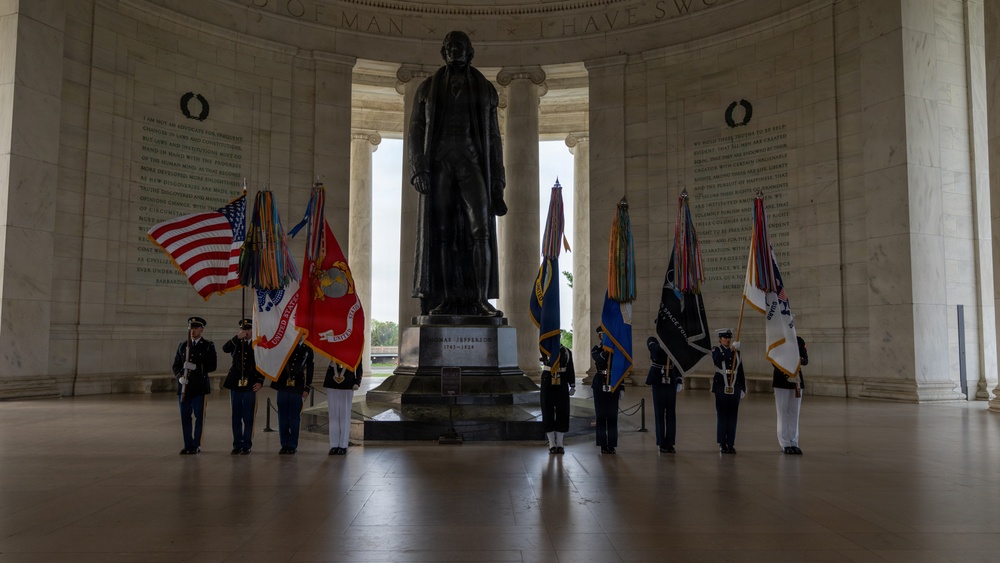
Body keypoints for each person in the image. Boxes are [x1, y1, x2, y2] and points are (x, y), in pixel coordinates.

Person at [408, 30, 507, 317]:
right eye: (450, 46)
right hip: (439, 166)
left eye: (460, 46)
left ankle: (479, 299)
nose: (455, 50)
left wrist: (498, 181)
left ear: (469, 52)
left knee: (481, 231)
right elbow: (416, 129)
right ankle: (446, 299)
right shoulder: (427, 88)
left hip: (472, 164)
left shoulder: (485, 88)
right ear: (443, 52)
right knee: (441, 234)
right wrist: (418, 168)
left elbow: (494, 138)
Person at [172, 316, 217, 455]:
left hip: (199, 387)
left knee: (199, 417)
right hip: (184, 388)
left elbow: (212, 366)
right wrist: (180, 378)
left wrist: (196, 367)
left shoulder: (208, 345)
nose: (193, 330)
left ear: (202, 329)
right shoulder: (182, 345)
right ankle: (187, 444)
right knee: (185, 417)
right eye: (191, 327)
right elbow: (176, 365)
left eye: (196, 327)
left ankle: (196, 444)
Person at [222, 318, 263, 455]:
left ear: (253, 329)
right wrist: (236, 337)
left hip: (250, 384)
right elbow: (225, 348)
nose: (246, 331)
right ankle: (237, 444)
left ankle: (247, 444)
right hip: (235, 383)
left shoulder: (258, 344)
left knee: (248, 416)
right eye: (243, 329)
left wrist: (260, 381)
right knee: (236, 416)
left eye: (248, 329)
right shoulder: (236, 342)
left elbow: (262, 364)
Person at [271, 340, 315, 455]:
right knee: (283, 416)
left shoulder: (307, 348)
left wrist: (307, 387)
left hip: (297, 385)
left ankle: (292, 444)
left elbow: (310, 368)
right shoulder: (284, 344)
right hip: (282, 384)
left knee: (294, 417)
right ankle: (284, 444)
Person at [711, 328, 746, 454]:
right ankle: (722, 443)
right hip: (721, 387)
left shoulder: (738, 353)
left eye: (729, 338)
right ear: (720, 339)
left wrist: (742, 388)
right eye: (725, 338)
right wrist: (731, 349)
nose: (727, 340)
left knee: (732, 417)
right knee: (722, 416)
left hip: (734, 387)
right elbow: (718, 359)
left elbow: (740, 371)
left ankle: (730, 443)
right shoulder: (716, 350)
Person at [646, 336, 682, 453]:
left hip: (670, 378)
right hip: (657, 379)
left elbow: (678, 360)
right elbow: (655, 350)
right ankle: (661, 443)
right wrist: (664, 343)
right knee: (659, 412)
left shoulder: (673, 342)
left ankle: (670, 443)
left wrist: (679, 379)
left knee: (671, 413)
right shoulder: (652, 340)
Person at [775, 336, 809, 454]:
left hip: (797, 381)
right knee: (783, 412)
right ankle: (785, 443)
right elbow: (774, 361)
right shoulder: (777, 340)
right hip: (782, 380)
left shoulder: (799, 340)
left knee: (795, 413)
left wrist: (800, 359)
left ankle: (794, 442)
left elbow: (806, 360)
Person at [591, 326, 622, 454]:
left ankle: (612, 444)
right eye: (602, 335)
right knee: (601, 415)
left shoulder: (617, 351)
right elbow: (600, 358)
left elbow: (621, 369)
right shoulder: (596, 349)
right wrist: (607, 348)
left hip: (613, 382)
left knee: (612, 415)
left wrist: (622, 387)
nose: (604, 337)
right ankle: (603, 444)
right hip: (600, 383)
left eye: (606, 335)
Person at [540, 345, 576, 454]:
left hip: (562, 381)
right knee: (547, 411)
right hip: (548, 380)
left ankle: (560, 444)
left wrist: (572, 384)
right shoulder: (545, 348)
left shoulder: (566, 351)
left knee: (563, 411)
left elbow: (570, 367)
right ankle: (551, 443)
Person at [324, 360, 362, 455]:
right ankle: (334, 445)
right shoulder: (332, 345)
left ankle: (343, 445)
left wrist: (357, 382)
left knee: (344, 415)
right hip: (332, 382)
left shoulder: (355, 347)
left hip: (348, 381)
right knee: (333, 416)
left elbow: (359, 365)